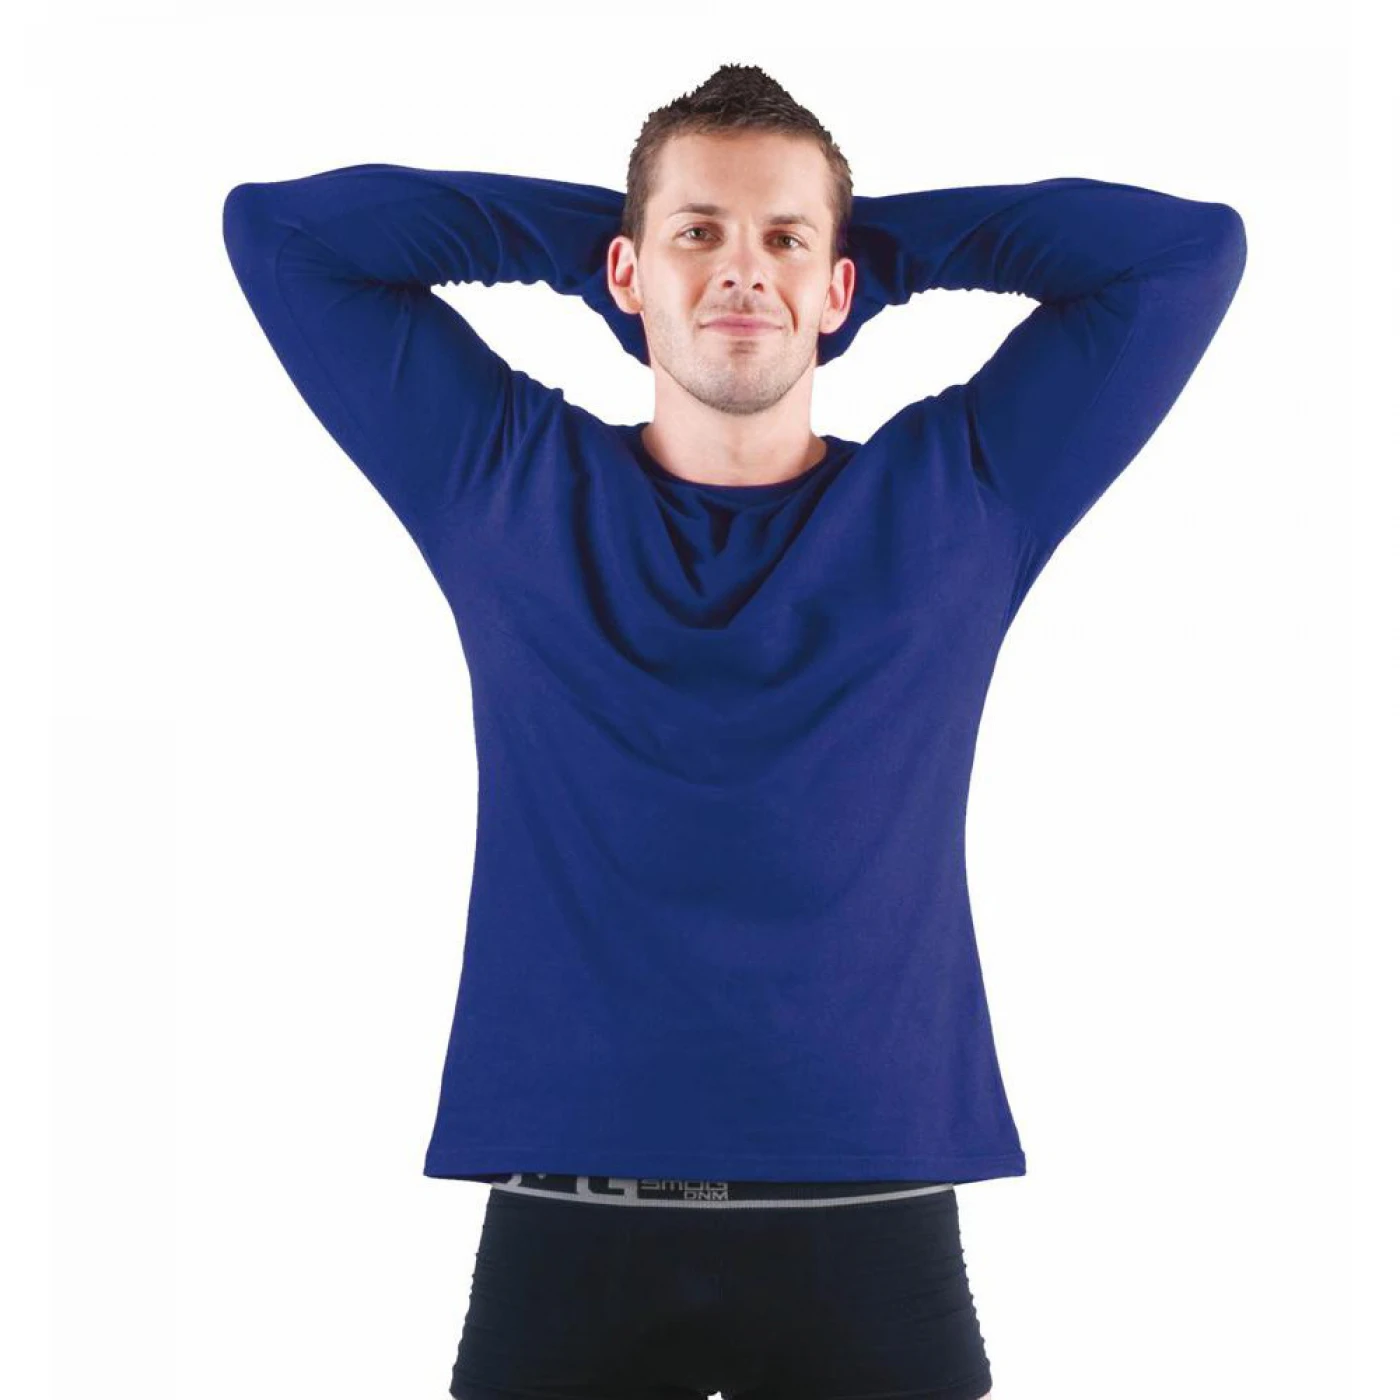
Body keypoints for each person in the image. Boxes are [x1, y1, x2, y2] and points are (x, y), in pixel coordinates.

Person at [222, 61, 1245, 1400]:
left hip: (870, 1218)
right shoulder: (504, 484)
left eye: (785, 241)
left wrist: (859, 252)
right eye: (698, 232)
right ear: (625, 274)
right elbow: (282, 233)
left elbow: (1186, 253)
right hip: (570, 1215)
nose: (742, 269)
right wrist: (641, 251)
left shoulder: (962, 500)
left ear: (840, 290)